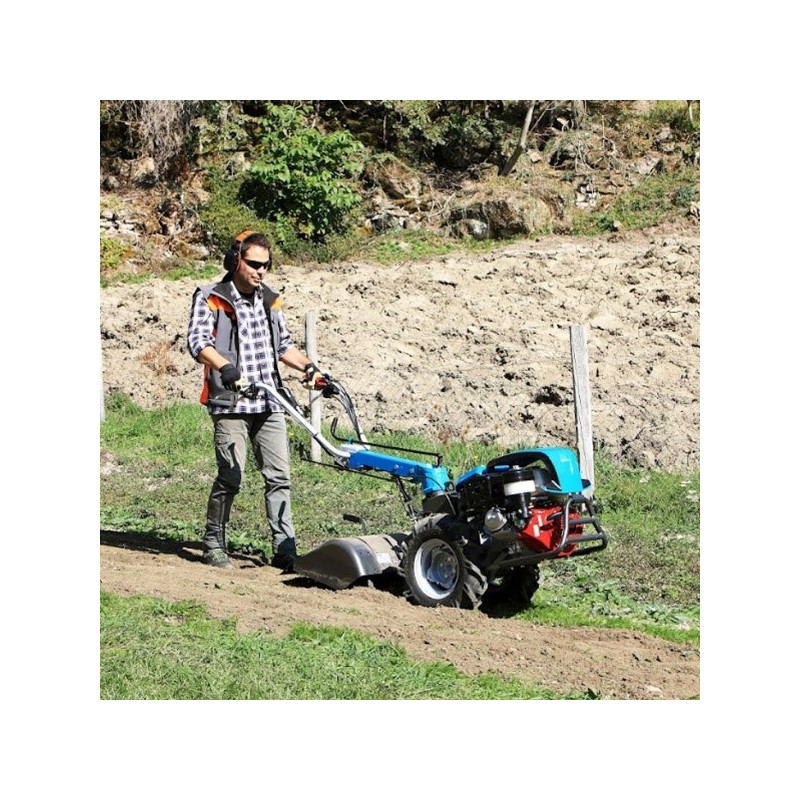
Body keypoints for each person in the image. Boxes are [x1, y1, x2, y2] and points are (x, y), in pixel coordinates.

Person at [187, 230, 328, 570]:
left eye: (265, 265)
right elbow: (198, 342)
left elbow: (284, 346)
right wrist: (225, 367)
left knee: (279, 477)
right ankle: (214, 542)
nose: (260, 271)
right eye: (253, 264)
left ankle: (285, 548)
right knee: (231, 476)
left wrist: (311, 370)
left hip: (268, 401)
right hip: (230, 402)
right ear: (236, 260)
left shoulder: (270, 300)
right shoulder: (211, 297)